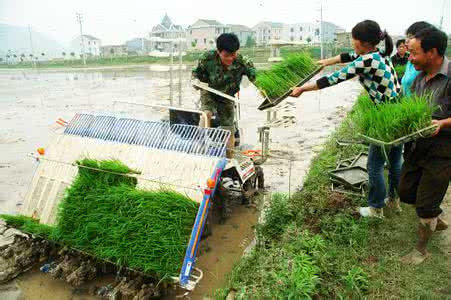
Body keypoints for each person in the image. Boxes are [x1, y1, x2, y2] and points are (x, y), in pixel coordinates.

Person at [291, 20, 402, 218]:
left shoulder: (365, 61)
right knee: (395, 161)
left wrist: (302, 89)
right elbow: (346, 57)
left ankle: (376, 208)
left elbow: (334, 79)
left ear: (362, 42)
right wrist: (326, 62)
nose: (352, 42)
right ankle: (394, 199)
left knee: (374, 165)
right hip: (399, 112)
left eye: (353, 38)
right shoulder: (377, 54)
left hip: (386, 115)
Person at [398, 26, 451, 264]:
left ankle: (421, 250)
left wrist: (442, 124)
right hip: (417, 147)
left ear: (432, 52)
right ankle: (434, 217)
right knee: (406, 192)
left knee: (425, 204)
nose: (410, 58)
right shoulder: (419, 79)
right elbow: (414, 113)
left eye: (413, 53)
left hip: (442, 152)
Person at [192, 33, 256, 158]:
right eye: (226, 56)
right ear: (218, 51)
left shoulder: (243, 62)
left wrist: (267, 91)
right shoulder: (206, 58)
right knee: (207, 114)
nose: (230, 59)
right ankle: (200, 152)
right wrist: (195, 82)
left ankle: (229, 159)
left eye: (233, 55)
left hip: (227, 96)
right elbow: (195, 74)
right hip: (209, 90)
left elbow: (257, 78)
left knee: (228, 128)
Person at [402, 22, 433, 96]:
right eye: (407, 37)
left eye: (411, 37)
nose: (406, 41)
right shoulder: (410, 60)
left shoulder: (424, 63)